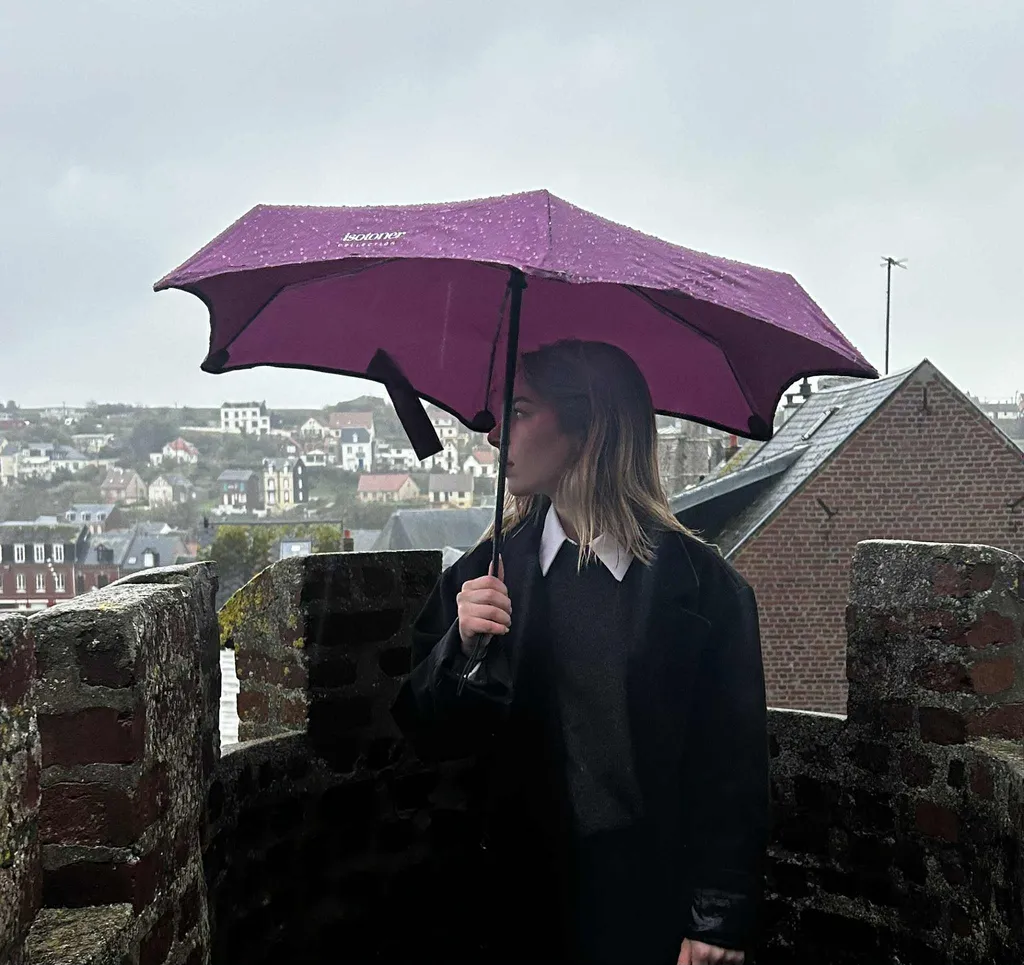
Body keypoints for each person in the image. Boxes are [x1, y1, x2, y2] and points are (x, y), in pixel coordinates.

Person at [392, 340, 769, 965]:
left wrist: (718, 920)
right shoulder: (484, 574)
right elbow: (425, 735)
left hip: (645, 908)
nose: (494, 435)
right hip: (515, 905)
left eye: (519, 411)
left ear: (587, 426)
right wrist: (460, 649)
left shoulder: (705, 592)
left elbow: (731, 765)